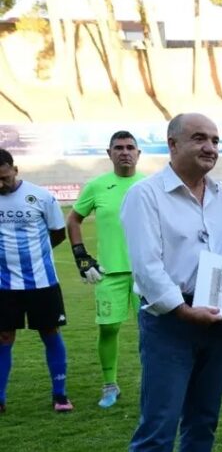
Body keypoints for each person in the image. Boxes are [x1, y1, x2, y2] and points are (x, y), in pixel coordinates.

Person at [119, 113, 222, 452]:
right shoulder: (145, 195)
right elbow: (147, 267)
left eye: (215, 140)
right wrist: (184, 311)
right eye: (199, 138)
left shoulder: (219, 195)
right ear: (172, 144)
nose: (210, 147)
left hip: (215, 319)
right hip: (170, 321)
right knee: (158, 428)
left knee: (203, 421)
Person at [66, 131, 146, 408]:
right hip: (109, 272)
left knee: (152, 331)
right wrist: (81, 256)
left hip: (146, 273)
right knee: (109, 328)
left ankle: (154, 382)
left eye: (130, 147)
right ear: (109, 153)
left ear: (138, 153)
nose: (125, 152)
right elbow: (73, 220)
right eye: (119, 148)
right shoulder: (96, 186)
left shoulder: (150, 184)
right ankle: (110, 384)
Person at [0, 148, 70, 414]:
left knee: (50, 333)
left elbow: (58, 233)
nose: (1, 184)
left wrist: (37, 255)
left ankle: (60, 395)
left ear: (15, 170)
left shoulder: (41, 196)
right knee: (3, 337)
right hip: (4, 284)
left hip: (42, 281)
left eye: (4, 177)